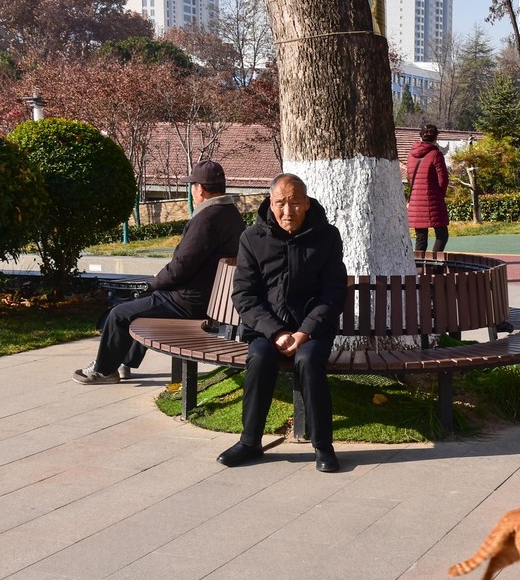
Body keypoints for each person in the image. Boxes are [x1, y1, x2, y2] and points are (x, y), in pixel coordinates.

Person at [216, 174, 348, 471]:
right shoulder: (252, 238)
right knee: (260, 357)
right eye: (281, 203)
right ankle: (250, 442)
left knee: (309, 360)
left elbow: (334, 292)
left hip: (312, 331)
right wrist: (275, 332)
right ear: (270, 203)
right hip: (267, 329)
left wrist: (305, 331)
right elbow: (244, 296)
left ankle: (323, 445)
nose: (288, 211)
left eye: (295, 203)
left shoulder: (327, 236)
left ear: (307, 202)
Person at [73, 160, 246, 384]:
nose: (192, 190)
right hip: (209, 298)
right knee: (140, 305)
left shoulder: (207, 219)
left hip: (190, 301)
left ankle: (104, 370)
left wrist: (155, 282)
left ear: (200, 189)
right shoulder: (230, 214)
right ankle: (124, 363)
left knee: (119, 314)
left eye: (192, 185)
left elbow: (181, 266)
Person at [407, 123, 450, 252]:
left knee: (421, 237)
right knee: (442, 235)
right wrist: (440, 195)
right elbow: (443, 179)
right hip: (433, 199)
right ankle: (436, 267)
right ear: (435, 137)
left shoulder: (411, 155)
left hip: (415, 200)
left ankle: (419, 269)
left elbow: (410, 177)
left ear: (421, 136)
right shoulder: (436, 154)